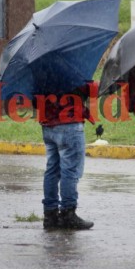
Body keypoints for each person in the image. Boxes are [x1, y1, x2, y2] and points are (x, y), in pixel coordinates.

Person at [36, 84, 94, 230]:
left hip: (48, 125)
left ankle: (50, 215)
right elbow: (88, 90)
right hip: (69, 124)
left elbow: (34, 101)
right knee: (70, 171)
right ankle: (68, 214)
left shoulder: (41, 70)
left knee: (52, 170)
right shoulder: (70, 67)